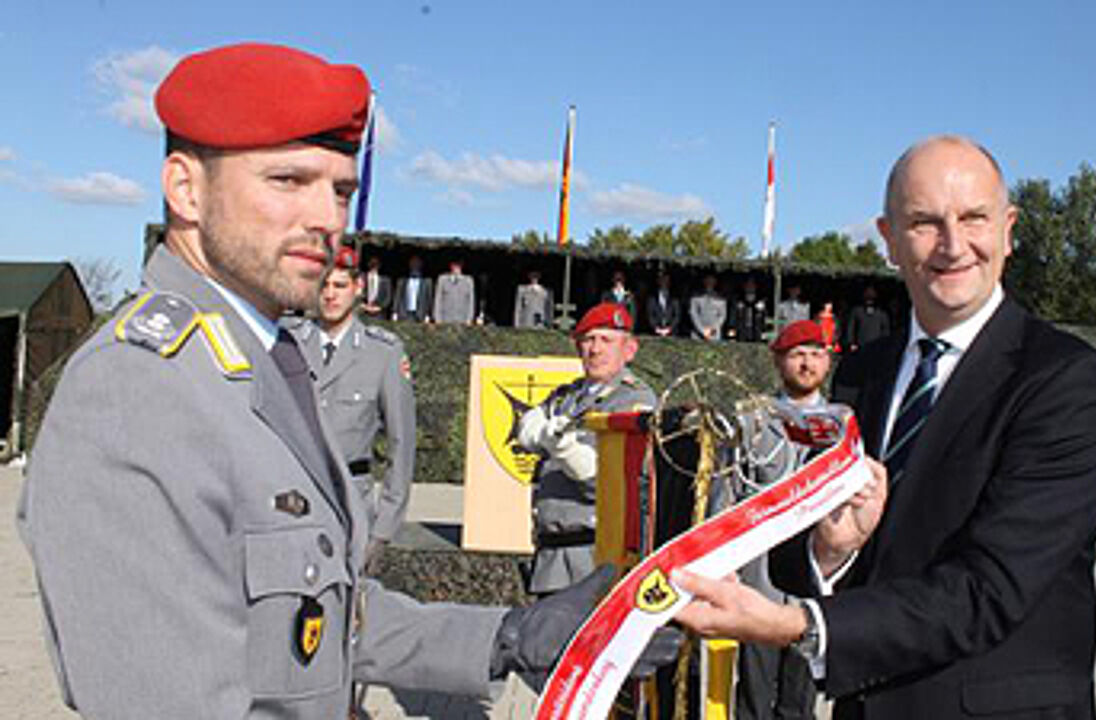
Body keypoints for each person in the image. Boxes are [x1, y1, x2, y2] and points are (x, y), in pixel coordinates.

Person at [16, 43, 673, 719]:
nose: (327, 219)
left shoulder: (258, 360)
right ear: (186, 189)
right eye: (287, 182)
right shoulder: (135, 391)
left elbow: (316, 617)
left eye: (340, 191)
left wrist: (509, 635)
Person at [674, 135, 1096, 720]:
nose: (953, 245)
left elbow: (991, 589)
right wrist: (830, 549)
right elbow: (799, 551)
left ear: (1009, 229)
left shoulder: (1067, 381)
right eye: (925, 222)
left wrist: (794, 624)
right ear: (888, 239)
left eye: (974, 218)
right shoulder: (863, 374)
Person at [516, 302, 656, 595]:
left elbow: (611, 480)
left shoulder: (634, 400)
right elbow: (528, 427)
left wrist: (563, 448)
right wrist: (538, 432)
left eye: (606, 340)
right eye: (588, 340)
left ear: (629, 349)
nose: (595, 349)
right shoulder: (568, 395)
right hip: (552, 554)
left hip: (593, 557)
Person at [733, 320, 834, 720]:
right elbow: (730, 500)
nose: (806, 363)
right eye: (796, 354)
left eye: (815, 354)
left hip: (815, 588)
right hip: (760, 584)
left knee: (800, 704)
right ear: (778, 361)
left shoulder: (842, 425)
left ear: (827, 361)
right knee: (752, 701)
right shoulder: (752, 422)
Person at [293, 247, 414, 574]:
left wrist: (383, 529)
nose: (330, 295)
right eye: (323, 286)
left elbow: (401, 446)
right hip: (291, 506)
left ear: (358, 288)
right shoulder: (287, 346)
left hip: (351, 505)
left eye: (339, 286)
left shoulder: (383, 353)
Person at [843, 286, 891, 352]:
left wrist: (884, 345)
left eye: (871, 299)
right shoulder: (857, 311)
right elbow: (851, 328)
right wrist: (852, 343)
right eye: (868, 299)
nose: (869, 302)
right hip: (861, 346)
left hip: (876, 346)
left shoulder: (881, 314)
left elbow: (886, 332)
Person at [391, 254, 432, 323]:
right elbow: (397, 297)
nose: (415, 266)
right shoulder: (402, 281)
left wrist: (428, 314)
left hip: (420, 315)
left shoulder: (426, 283)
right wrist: (395, 312)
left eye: (417, 264)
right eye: (413, 264)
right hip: (404, 314)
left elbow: (428, 299)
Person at [433, 260, 476, 325]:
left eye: (458, 265)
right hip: (445, 320)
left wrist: (469, 319)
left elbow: (471, 302)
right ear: (451, 266)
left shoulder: (468, 281)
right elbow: (438, 300)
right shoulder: (442, 279)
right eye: (454, 265)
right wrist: (437, 319)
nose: (456, 267)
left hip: (462, 320)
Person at [727, 276, 769, 343]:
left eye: (752, 284)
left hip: (756, 333)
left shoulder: (761, 302)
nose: (750, 287)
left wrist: (764, 336)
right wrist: (732, 336)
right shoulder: (738, 301)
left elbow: (765, 320)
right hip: (740, 334)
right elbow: (732, 319)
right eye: (748, 284)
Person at [689, 273, 728, 341]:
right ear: (704, 281)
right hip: (697, 333)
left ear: (715, 282)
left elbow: (722, 316)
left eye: (712, 280)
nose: (710, 282)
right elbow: (693, 314)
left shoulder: (720, 298)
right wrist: (702, 330)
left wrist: (713, 329)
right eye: (708, 280)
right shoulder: (696, 296)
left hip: (714, 333)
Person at [646, 269, 680, 337]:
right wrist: (656, 328)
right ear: (658, 281)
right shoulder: (652, 298)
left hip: (672, 333)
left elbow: (677, 315)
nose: (664, 282)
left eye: (666, 280)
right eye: (661, 280)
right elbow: (650, 315)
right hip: (655, 333)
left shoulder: (674, 298)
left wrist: (669, 329)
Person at [360, 253, 392, 318]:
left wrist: (378, 308)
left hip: (379, 314)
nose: (373, 266)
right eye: (372, 263)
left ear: (379, 265)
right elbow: (356, 293)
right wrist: (364, 306)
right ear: (368, 264)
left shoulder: (385, 280)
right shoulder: (362, 277)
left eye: (376, 263)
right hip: (363, 312)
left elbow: (388, 298)